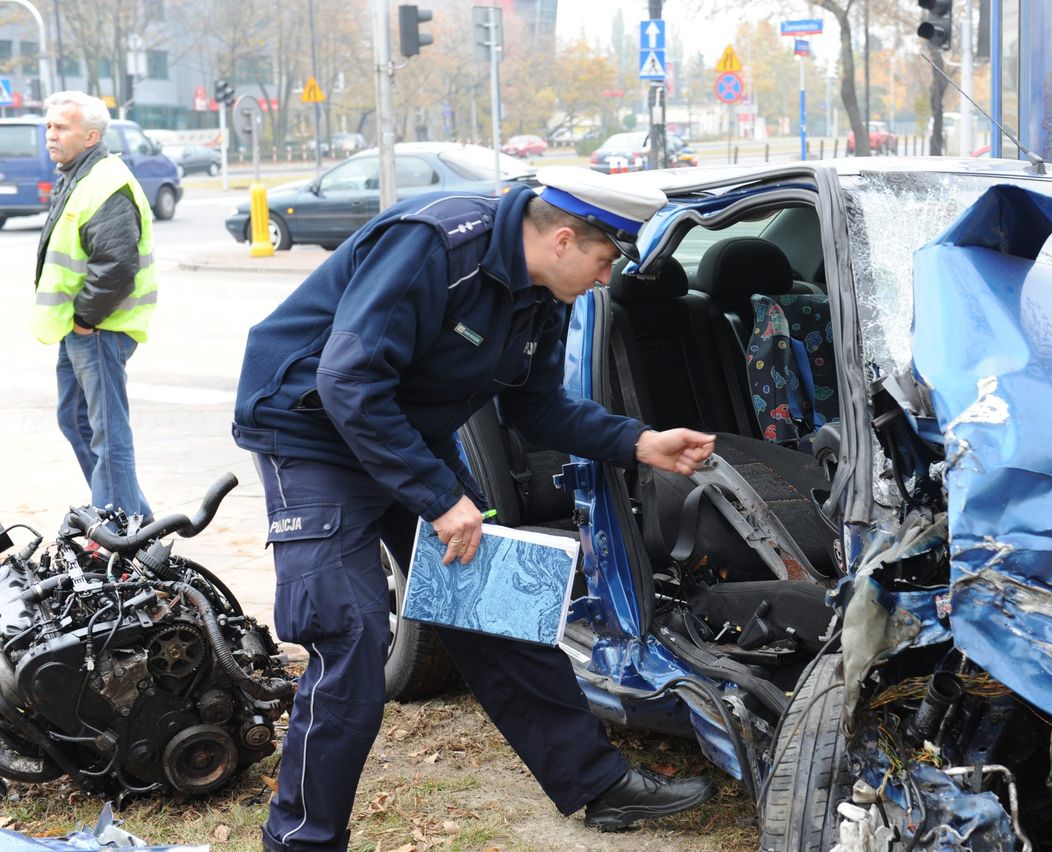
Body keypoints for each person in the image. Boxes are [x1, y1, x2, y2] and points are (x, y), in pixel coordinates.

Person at [232, 165, 719, 850]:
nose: (607, 279)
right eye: (605, 261)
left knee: (494, 604)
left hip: (407, 432)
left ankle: (596, 785)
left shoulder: (543, 292)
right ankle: (301, 841)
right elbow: (346, 380)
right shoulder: (435, 245)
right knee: (352, 636)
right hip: (311, 430)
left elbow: (538, 406)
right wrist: (439, 498)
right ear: (562, 240)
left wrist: (640, 443)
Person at [31, 90, 155, 521]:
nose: (50, 135)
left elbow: (118, 263)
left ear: (90, 136)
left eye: (60, 127)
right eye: (48, 126)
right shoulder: (78, 176)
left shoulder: (106, 182)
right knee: (75, 420)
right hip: (79, 329)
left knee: (107, 434)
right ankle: (138, 521)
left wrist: (85, 319)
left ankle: (120, 526)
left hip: (100, 329)